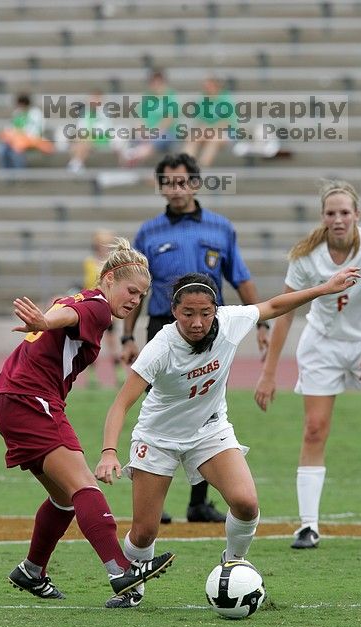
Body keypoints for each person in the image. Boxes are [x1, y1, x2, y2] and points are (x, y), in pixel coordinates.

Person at [94, 267, 360, 608]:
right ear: (174, 312)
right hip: (158, 437)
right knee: (145, 531)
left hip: (209, 430)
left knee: (246, 503)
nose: (197, 322)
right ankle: (133, 585)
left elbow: (275, 305)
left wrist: (324, 288)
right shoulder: (161, 347)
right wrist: (108, 452)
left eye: (205, 313)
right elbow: (120, 404)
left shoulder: (231, 322)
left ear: (215, 310)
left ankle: (234, 563)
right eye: (188, 314)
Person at [0, 238, 174, 607]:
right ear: (108, 279)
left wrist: (47, 318)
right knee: (84, 487)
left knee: (63, 499)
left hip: (11, 398)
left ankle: (31, 570)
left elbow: (65, 315)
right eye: (131, 290)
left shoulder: (77, 298)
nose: (134, 300)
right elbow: (70, 318)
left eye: (141, 296)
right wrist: (45, 319)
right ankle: (120, 569)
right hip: (32, 400)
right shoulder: (97, 308)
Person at [254, 180, 361, 550]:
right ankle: (308, 526)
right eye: (331, 213)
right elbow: (284, 312)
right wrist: (268, 372)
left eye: (345, 212)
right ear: (323, 217)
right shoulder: (306, 256)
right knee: (315, 429)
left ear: (357, 215)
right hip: (323, 345)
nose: (338, 219)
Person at [121, 152, 269, 524]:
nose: (175, 189)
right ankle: (152, 493)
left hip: (210, 328)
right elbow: (137, 288)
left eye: (181, 181)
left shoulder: (221, 227)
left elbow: (241, 276)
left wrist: (262, 324)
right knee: (159, 407)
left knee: (206, 406)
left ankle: (199, 502)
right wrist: (126, 334)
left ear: (196, 183)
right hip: (162, 327)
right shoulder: (148, 232)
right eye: (167, 182)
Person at [83, 229, 126, 387]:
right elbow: (89, 283)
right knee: (91, 341)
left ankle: (119, 372)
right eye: (101, 244)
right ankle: (92, 375)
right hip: (93, 305)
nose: (104, 247)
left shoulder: (112, 262)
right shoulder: (90, 262)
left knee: (112, 341)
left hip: (108, 305)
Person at [122, 69, 178, 167]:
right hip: (147, 133)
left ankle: (132, 162)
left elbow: (168, 120)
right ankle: (130, 164)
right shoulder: (147, 96)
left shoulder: (170, 96)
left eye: (158, 82)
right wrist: (143, 132)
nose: (156, 85)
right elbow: (140, 119)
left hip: (165, 133)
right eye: (153, 82)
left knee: (150, 144)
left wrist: (152, 132)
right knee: (129, 141)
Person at [184, 76, 235, 167]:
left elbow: (227, 123)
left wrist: (210, 129)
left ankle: (202, 168)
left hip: (226, 133)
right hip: (207, 132)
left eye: (210, 86)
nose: (207, 89)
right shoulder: (203, 100)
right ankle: (186, 167)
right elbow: (199, 122)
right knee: (193, 138)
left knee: (214, 139)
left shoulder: (226, 99)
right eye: (206, 87)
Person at [0, 94, 54, 169]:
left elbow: (36, 131)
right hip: (17, 141)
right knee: (3, 149)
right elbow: (10, 128)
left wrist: (20, 136)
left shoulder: (36, 113)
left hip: (33, 141)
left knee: (17, 151)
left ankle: (20, 174)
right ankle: (7, 174)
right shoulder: (17, 113)